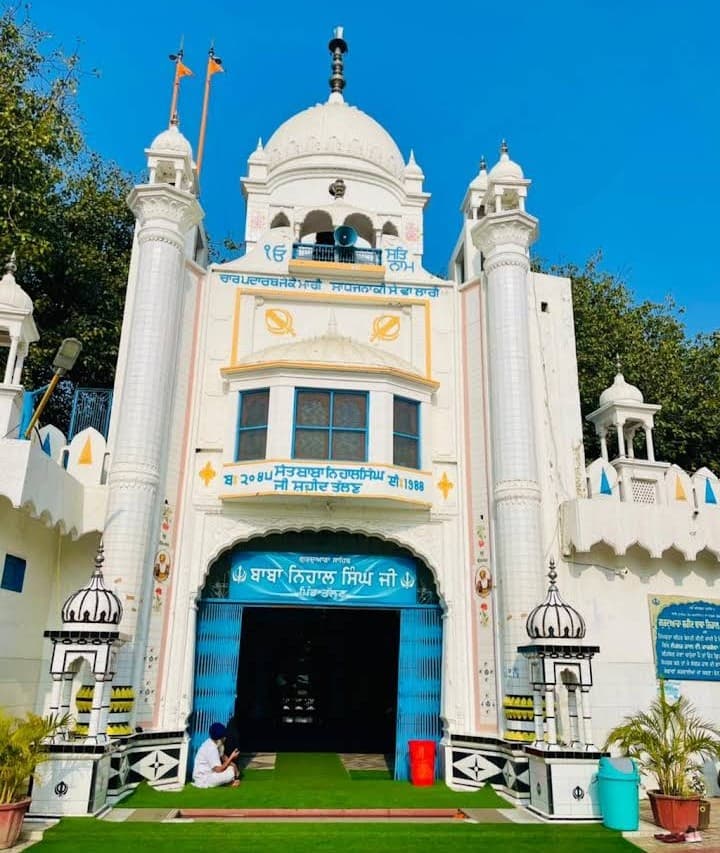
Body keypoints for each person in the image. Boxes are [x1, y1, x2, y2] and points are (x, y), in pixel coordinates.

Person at [192, 722, 240, 788]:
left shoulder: (215, 743)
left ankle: (230, 781)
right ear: (220, 738)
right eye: (223, 737)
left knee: (231, 768)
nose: (225, 738)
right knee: (230, 773)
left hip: (210, 774)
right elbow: (218, 770)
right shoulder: (211, 748)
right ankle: (230, 781)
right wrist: (231, 757)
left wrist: (234, 765)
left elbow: (223, 757)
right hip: (204, 778)